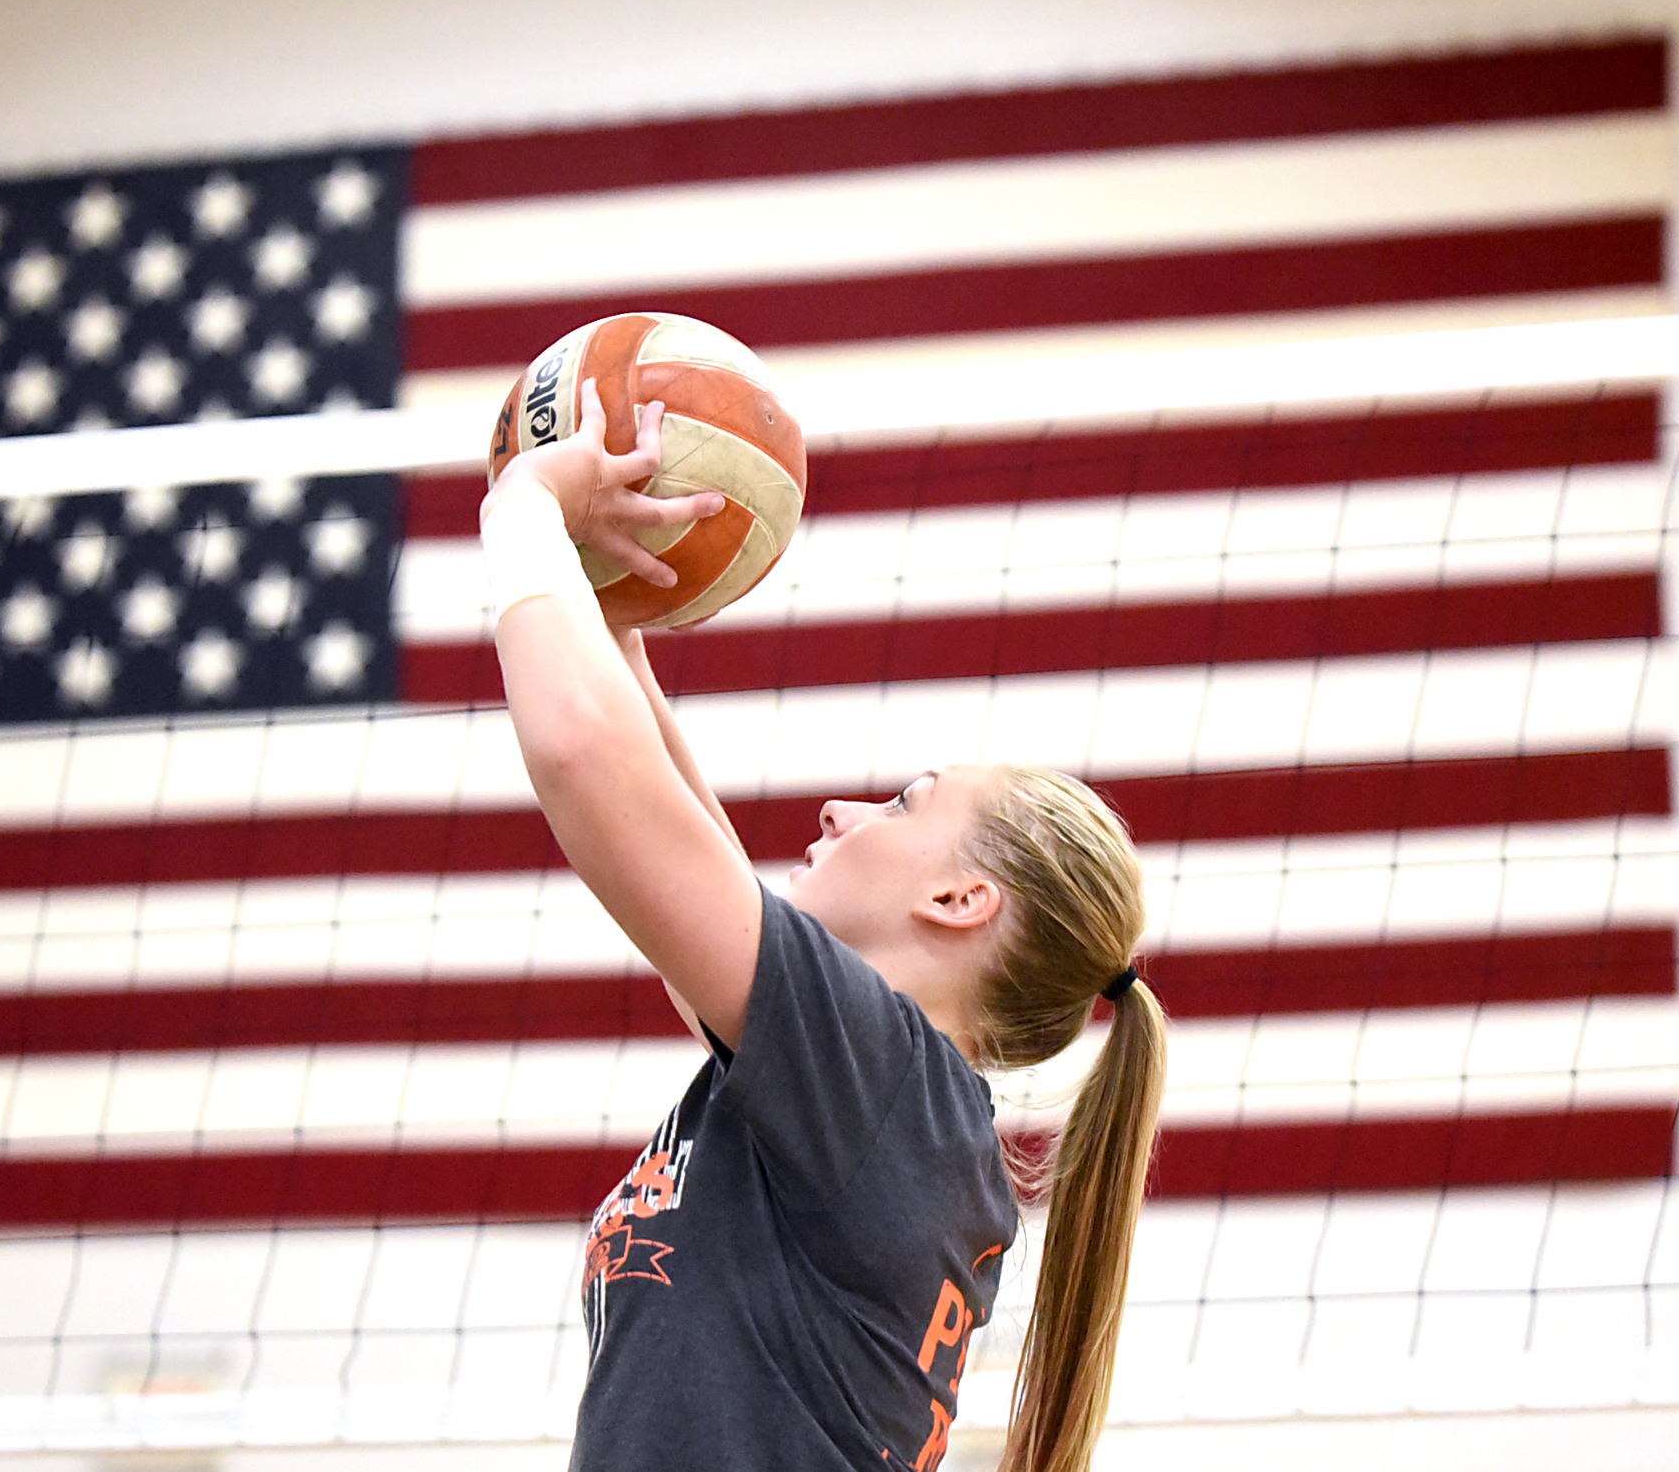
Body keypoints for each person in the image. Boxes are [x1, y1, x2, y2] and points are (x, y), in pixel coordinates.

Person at [480, 380, 1168, 1472]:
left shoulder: (884, 1085)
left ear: (959, 901)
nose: (845, 810)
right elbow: (685, 860)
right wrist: (614, 614)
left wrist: (521, 509)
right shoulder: (884, 1101)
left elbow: (584, 756)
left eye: (903, 803)